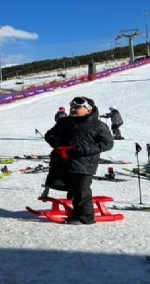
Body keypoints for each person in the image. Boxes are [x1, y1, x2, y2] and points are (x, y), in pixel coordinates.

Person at [44, 96, 114, 225]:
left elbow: (107, 143)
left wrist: (80, 150)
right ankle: (73, 194)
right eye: (72, 107)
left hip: (84, 163)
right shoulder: (64, 122)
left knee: (81, 190)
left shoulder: (98, 125)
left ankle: (84, 217)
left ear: (88, 110)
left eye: (77, 107)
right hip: (62, 161)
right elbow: (49, 135)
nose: (73, 109)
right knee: (56, 183)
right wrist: (58, 146)